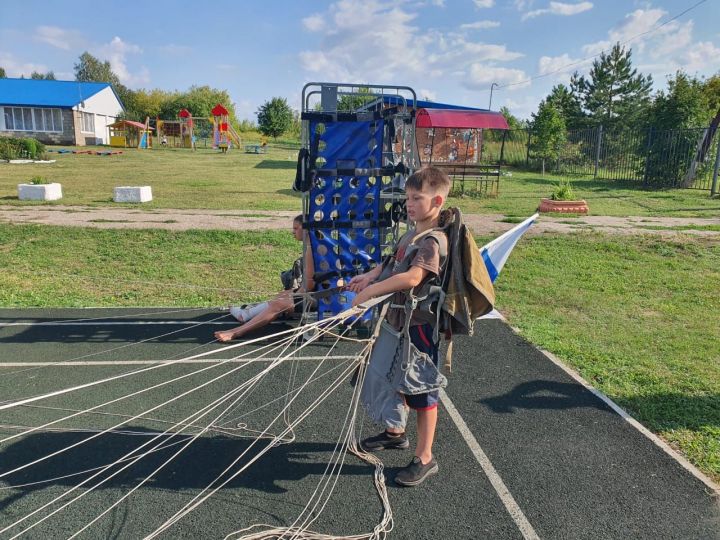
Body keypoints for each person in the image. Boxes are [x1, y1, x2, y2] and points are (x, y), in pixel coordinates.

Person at [347, 166, 451, 487]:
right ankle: (395, 433)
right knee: (391, 376)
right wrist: (370, 276)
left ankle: (425, 456)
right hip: (397, 323)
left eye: (416, 198)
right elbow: (394, 261)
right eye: (407, 197)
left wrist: (370, 292)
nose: (408, 203)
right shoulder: (412, 233)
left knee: (420, 389)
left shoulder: (434, 240)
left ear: (436, 200)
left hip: (419, 328)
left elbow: (413, 277)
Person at [214, 215, 314, 342]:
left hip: (323, 296)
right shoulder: (310, 246)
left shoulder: (311, 249)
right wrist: (292, 294)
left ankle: (236, 332)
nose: (292, 232)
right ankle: (245, 315)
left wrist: (293, 297)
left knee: (280, 302)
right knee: (282, 296)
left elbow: (310, 284)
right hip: (318, 292)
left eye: (296, 228)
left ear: (306, 229)